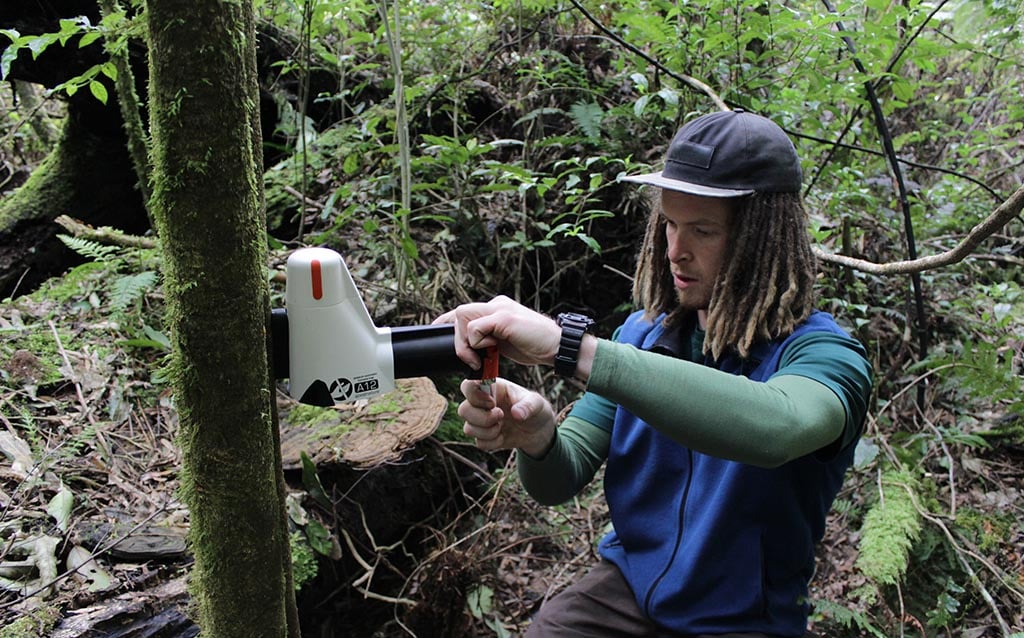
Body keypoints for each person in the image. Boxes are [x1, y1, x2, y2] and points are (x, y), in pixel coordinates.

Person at [434, 109, 873, 637]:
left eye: (703, 231)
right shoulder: (642, 338)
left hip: (740, 620)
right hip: (626, 593)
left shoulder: (825, 358)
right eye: (669, 223)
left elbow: (779, 427)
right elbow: (561, 478)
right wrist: (539, 436)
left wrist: (568, 347)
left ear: (762, 240)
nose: (674, 251)